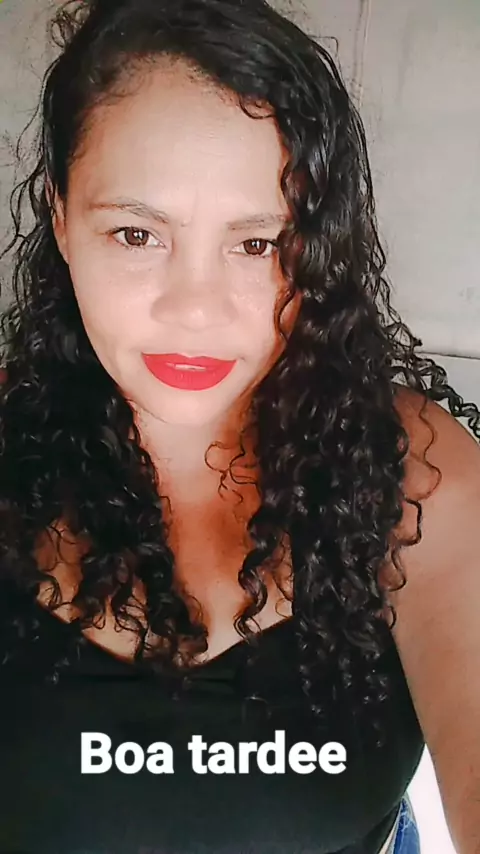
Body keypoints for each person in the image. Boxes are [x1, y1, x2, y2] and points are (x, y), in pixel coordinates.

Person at [0, 0, 479, 852]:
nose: (195, 309)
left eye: (257, 244)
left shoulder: (418, 473)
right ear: (62, 218)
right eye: (137, 233)